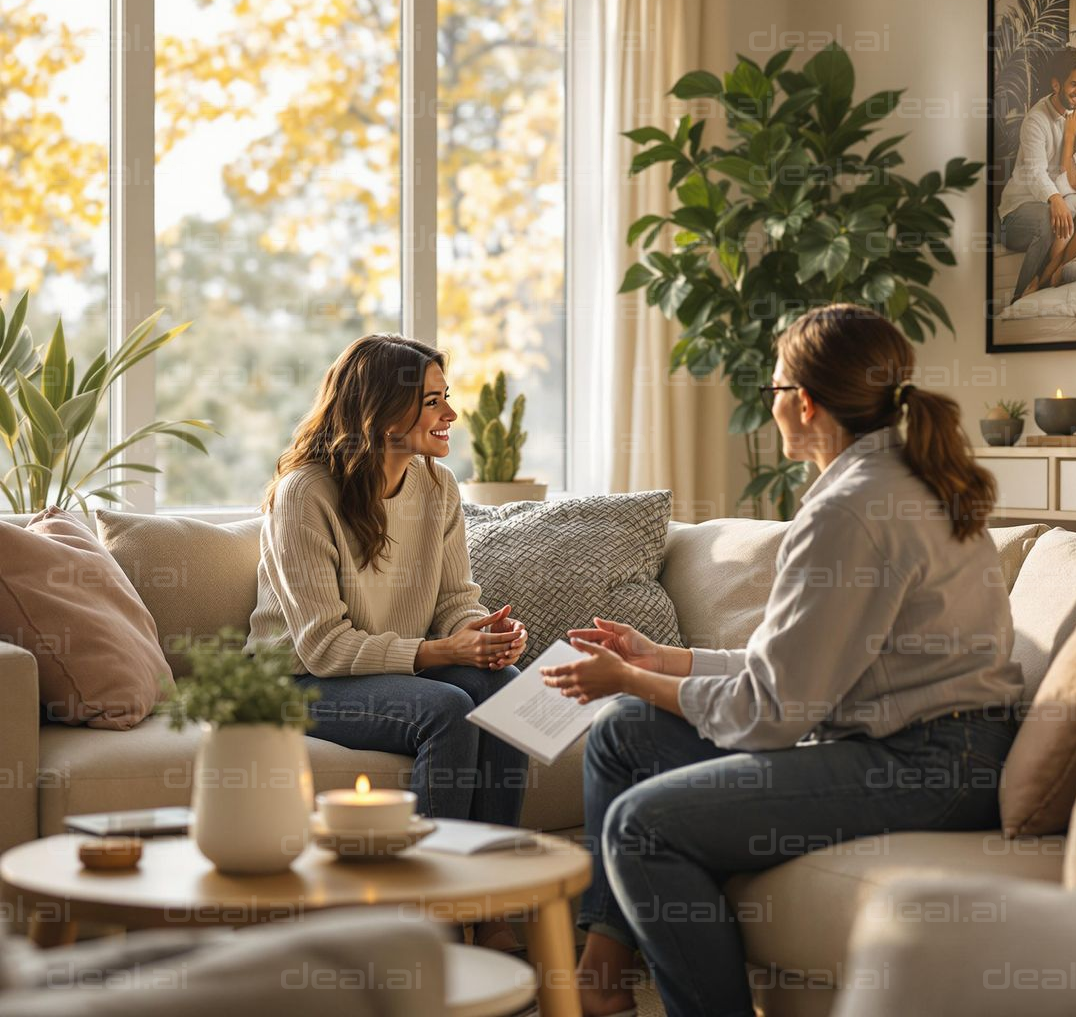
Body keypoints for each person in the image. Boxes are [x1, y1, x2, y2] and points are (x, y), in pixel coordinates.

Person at [542, 304, 1025, 1017]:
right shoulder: (901, 478)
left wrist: (629, 676)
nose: (770, 406)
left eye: (772, 391)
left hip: (932, 763)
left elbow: (772, 714)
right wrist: (665, 661)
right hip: (938, 746)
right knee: (624, 732)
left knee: (642, 824)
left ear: (803, 403)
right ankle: (601, 977)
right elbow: (795, 665)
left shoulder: (851, 511)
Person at [246, 334, 529, 951]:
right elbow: (322, 645)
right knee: (448, 710)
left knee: (504, 691)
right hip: (298, 680)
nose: (450, 415)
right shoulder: (305, 494)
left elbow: (455, 598)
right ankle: (425, 920)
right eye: (432, 402)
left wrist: (478, 635)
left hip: (388, 667)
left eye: (445, 397)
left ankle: (492, 903)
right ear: (381, 411)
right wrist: (441, 655)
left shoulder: (438, 487)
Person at [998, 48, 1076, 300]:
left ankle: (1049, 277)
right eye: (1074, 84)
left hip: (1058, 206)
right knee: (1049, 219)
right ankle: (1021, 298)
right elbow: (1035, 173)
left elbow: (1071, 178)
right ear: (1056, 84)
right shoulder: (1036, 120)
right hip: (1017, 214)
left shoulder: (1075, 119)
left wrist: (1069, 136)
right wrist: (1055, 199)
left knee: (1068, 210)